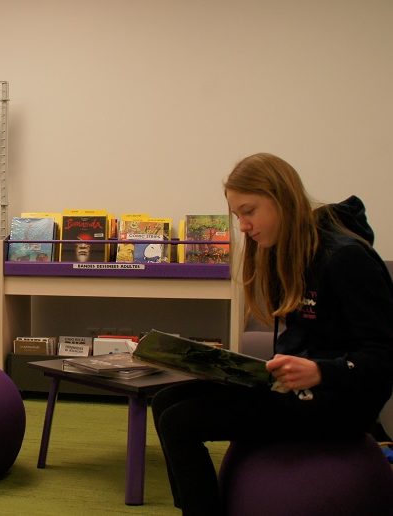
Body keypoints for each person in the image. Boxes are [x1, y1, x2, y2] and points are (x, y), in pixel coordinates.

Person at [152, 152, 393, 515]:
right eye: (238, 217)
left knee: (179, 421)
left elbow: (383, 354)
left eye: (249, 211)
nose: (244, 226)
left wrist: (323, 371)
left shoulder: (345, 258)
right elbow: (303, 339)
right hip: (300, 388)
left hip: (341, 403)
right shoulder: (291, 251)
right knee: (165, 400)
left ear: (281, 198)